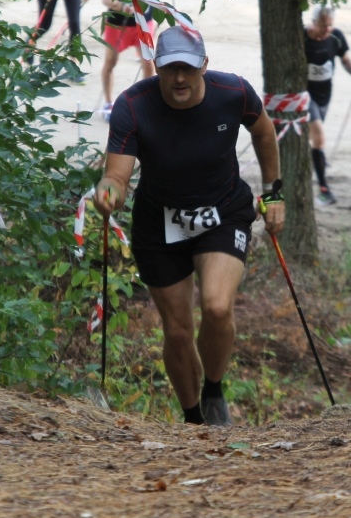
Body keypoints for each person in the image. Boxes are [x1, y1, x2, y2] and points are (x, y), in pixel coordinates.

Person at [93, 26, 285, 426]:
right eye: (169, 69)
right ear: (157, 68)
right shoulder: (134, 105)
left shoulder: (234, 93)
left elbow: (264, 132)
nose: (179, 78)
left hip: (222, 211)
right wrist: (109, 192)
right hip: (159, 224)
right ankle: (193, 419)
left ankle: (213, 390)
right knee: (178, 332)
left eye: (187, 68)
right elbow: (117, 176)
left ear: (204, 66)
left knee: (216, 305)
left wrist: (274, 192)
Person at [303, 5, 351, 206]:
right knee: (319, 138)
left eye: (330, 25)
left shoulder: (336, 36)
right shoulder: (301, 36)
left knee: (313, 140)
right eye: (324, 25)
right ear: (314, 22)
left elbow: (345, 59)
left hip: (324, 97)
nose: (327, 29)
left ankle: (311, 164)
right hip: (305, 96)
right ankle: (323, 189)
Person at [100, 0, 156, 121]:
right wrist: (123, 7)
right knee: (111, 61)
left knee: (148, 64)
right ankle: (109, 104)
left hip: (144, 22)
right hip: (118, 23)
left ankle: (145, 102)